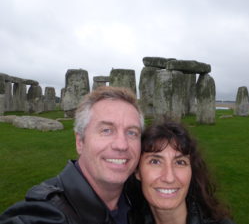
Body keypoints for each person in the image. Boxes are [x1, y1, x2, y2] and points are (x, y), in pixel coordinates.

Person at [0, 86, 144, 224]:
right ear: (80, 141)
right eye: (106, 130)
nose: (121, 145)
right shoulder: (44, 213)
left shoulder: (140, 199)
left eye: (132, 132)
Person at [130, 121, 235, 224]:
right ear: (137, 171)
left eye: (180, 162)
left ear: (192, 171)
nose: (169, 178)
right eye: (155, 162)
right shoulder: (128, 218)